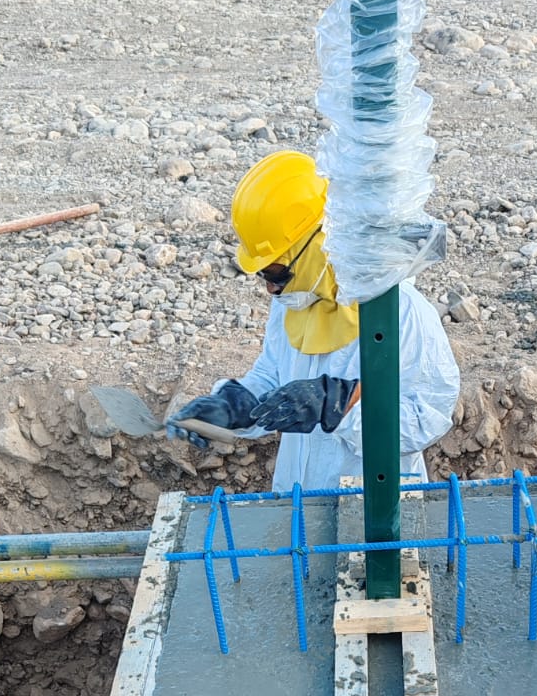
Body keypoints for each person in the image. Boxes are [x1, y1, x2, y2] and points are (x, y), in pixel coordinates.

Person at [167, 151, 460, 492]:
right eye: (262, 273)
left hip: (374, 514)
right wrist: (235, 404)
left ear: (320, 245)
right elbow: (272, 376)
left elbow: (429, 417)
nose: (270, 287)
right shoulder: (295, 299)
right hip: (298, 505)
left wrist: (341, 403)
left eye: (277, 271)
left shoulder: (400, 310)